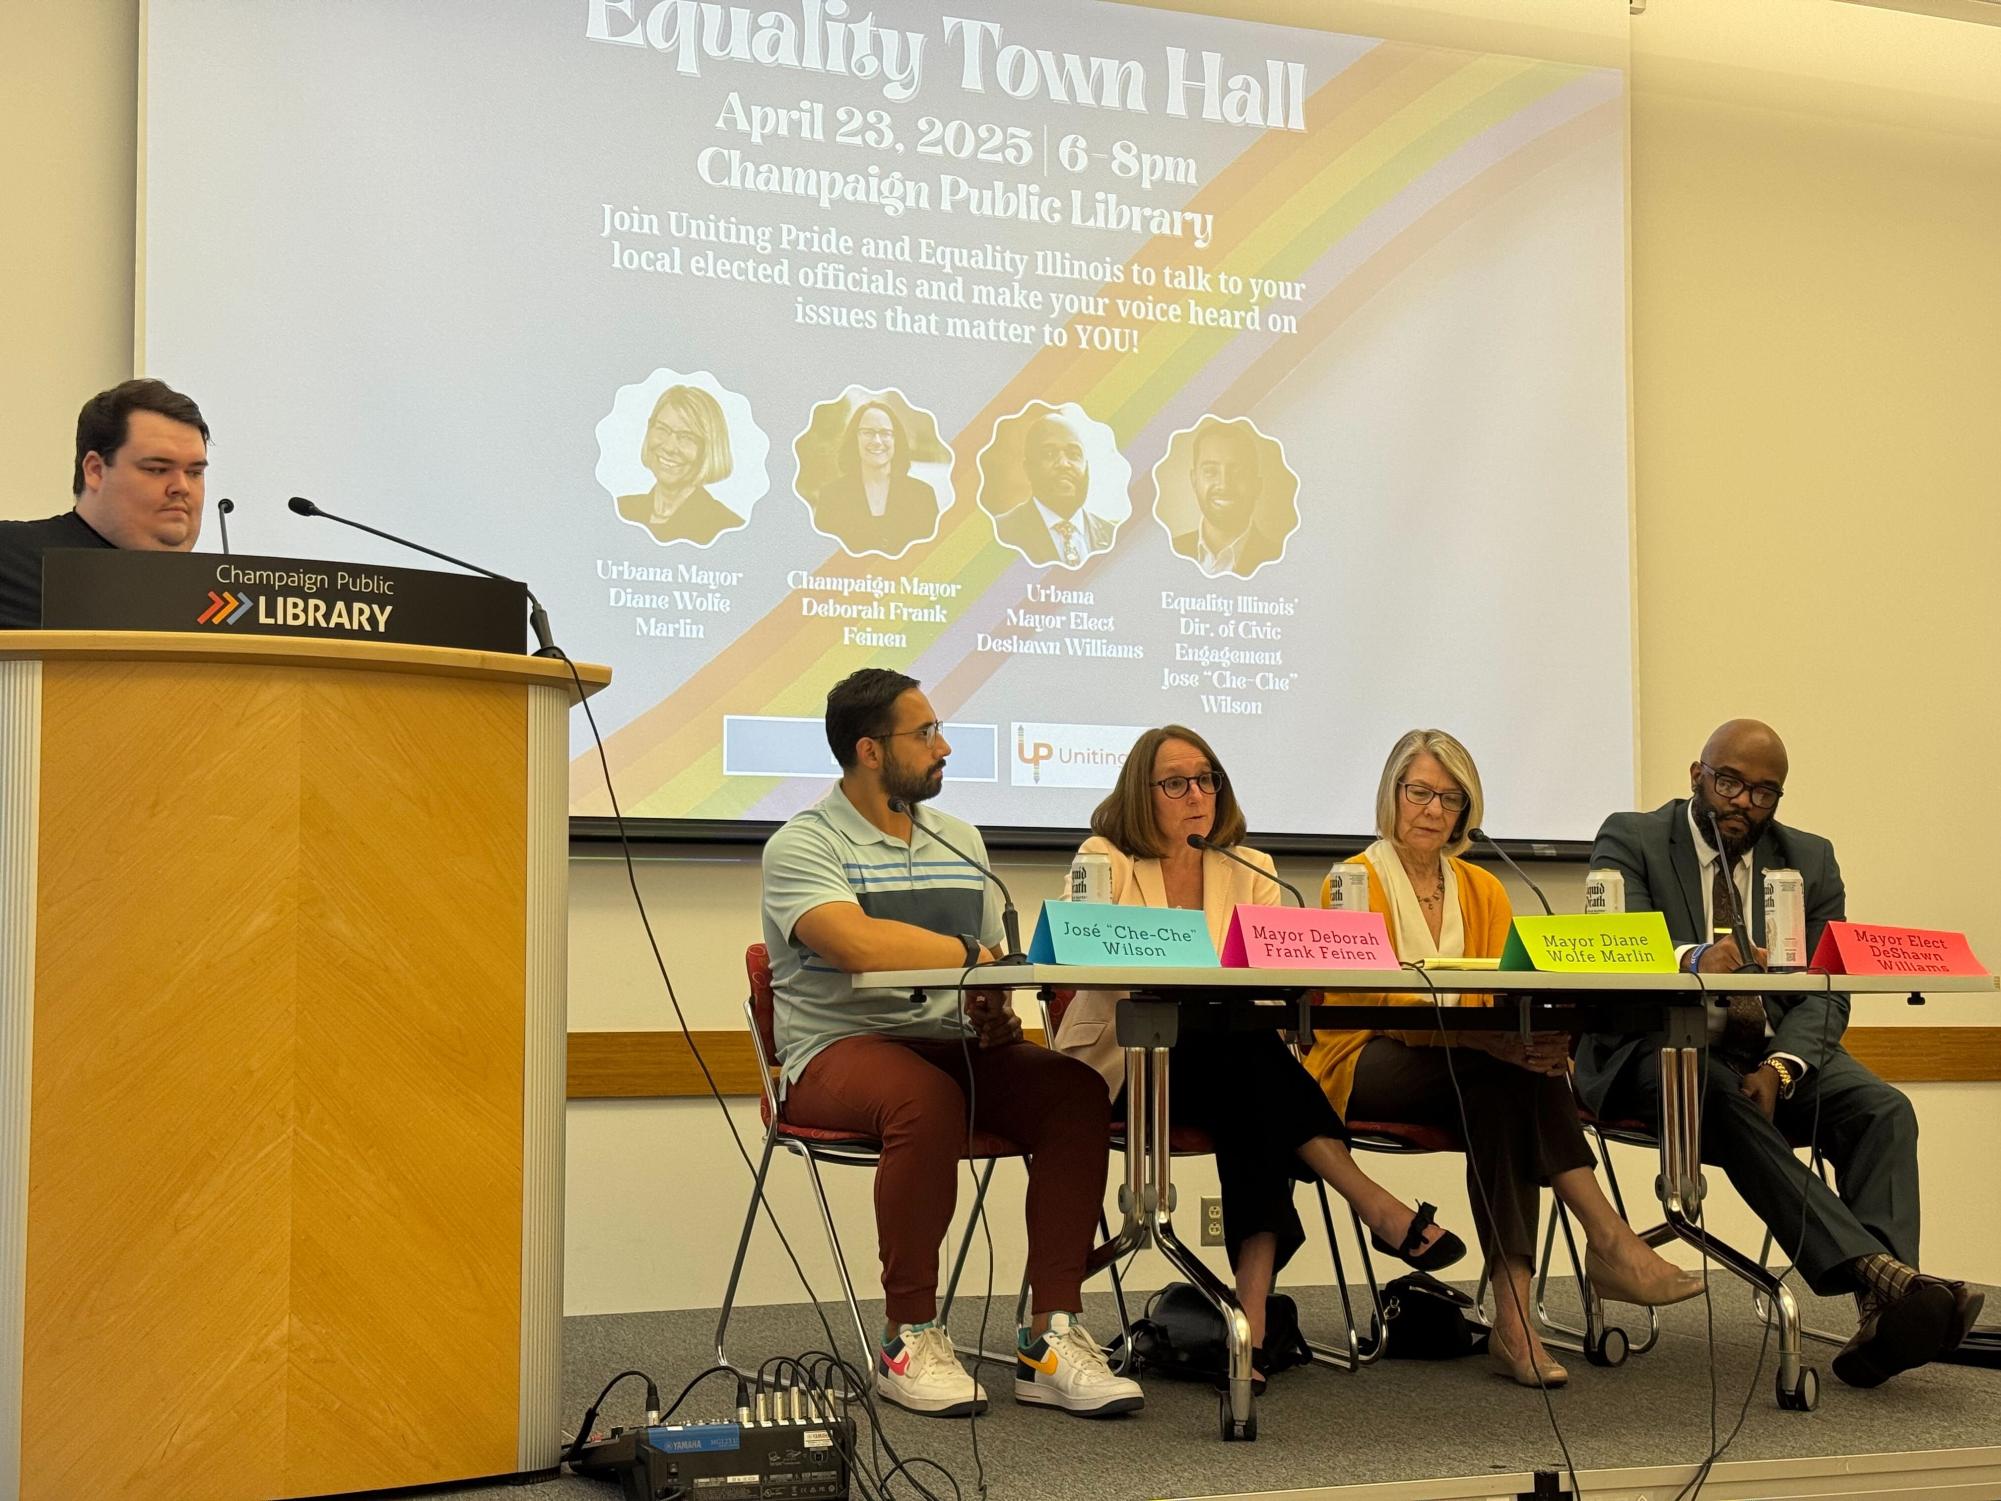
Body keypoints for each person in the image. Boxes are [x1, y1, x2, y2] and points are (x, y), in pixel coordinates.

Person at [761, 668, 1144, 1419]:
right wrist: (971, 955)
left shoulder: (960, 842)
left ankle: (1052, 1336)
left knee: (1074, 1091)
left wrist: (994, 1008)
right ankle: (907, 1336)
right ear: (870, 750)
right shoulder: (802, 844)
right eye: (926, 733)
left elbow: (992, 963)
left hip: (951, 1042)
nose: (944, 747)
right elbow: (852, 942)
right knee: (924, 1099)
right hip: (838, 1049)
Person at [1055, 725, 1469, 1392]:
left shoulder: (1248, 865)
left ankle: (1246, 1326)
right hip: (1129, 1063)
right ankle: (1368, 1208)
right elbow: (1091, 955)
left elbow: (1269, 975)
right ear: (1141, 793)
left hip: (1225, 1070)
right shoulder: (1104, 858)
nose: (1198, 794)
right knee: (1251, 1068)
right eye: (1176, 783)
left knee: (1250, 1079)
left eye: (1207, 779)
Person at [1576, 717, 1983, 1388]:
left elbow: (1827, 990)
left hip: (1768, 1052)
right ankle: (1885, 1279)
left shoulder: (1809, 859)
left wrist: (1781, 1065)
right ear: (1697, 776)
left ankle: (1880, 1317)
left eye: (1763, 792)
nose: (1744, 802)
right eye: (1729, 783)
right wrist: (1694, 959)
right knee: (1715, 1089)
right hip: (1655, 1051)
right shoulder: (1634, 837)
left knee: (1883, 1109)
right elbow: (1613, 947)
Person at [1302, 729, 1702, 1387]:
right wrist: (1482, 1041)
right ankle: (1606, 1240)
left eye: (1450, 798)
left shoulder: (1483, 887)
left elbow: (1498, 993)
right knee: (1503, 1074)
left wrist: (1532, 1038)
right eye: (1419, 792)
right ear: (1391, 794)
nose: (1432, 809)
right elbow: (1369, 1003)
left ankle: (1515, 1318)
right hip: (1362, 1060)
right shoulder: (1352, 881)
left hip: (1469, 1069)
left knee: (1511, 1082)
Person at [0, 379, 210, 630]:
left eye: (194, 472)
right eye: (157, 469)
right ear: (95, 470)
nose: (182, 487)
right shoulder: (9, 559)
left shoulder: (223, 596)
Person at [615, 384, 743, 545]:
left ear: (709, 449)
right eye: (662, 429)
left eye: (686, 437)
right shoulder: (620, 510)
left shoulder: (727, 528)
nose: (669, 447)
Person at [810, 400, 941, 557]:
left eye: (885, 433)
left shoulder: (923, 495)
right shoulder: (831, 496)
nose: (877, 441)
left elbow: (935, 556)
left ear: (896, 439)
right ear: (855, 438)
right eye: (868, 432)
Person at [991, 412, 1116, 567]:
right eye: (1049, 454)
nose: (1064, 463)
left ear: (1087, 467)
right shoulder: (999, 533)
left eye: (1073, 454)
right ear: (1029, 469)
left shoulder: (1113, 535)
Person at [1167, 421, 1287, 578]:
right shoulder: (1167, 552)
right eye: (1211, 472)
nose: (1224, 485)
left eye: (1238, 473)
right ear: (1194, 480)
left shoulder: (1281, 558)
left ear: (1257, 485)